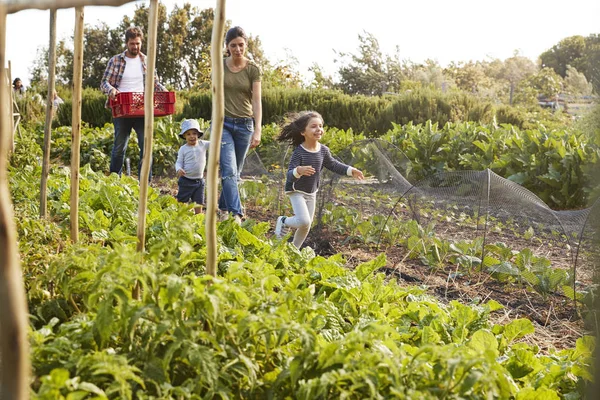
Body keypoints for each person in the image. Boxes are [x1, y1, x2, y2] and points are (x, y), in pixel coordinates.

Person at [274, 111, 364, 248]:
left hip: (311, 191)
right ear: (303, 132)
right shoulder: (299, 151)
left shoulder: (323, 150)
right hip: (295, 189)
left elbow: (333, 164)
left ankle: (293, 250)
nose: (319, 129)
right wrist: (299, 171)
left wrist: (352, 171)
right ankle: (284, 221)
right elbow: (289, 175)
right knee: (303, 220)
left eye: (321, 126)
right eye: (314, 126)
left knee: (306, 225)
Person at [100, 26, 167, 181]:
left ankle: (146, 183)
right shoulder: (116, 60)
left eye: (138, 43)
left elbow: (155, 83)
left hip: (142, 108)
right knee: (119, 147)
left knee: (146, 147)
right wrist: (111, 91)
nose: (135, 47)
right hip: (122, 108)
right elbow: (104, 83)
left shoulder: (146, 61)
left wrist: (165, 91)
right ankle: (115, 181)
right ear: (126, 43)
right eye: (132, 44)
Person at [218, 26, 262, 224]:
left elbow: (256, 101)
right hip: (224, 124)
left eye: (241, 45)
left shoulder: (253, 69)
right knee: (228, 170)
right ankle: (237, 214)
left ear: (246, 45)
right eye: (233, 45)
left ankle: (222, 209)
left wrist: (258, 128)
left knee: (235, 173)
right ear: (227, 46)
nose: (237, 49)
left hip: (245, 125)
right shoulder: (219, 65)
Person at [175, 119, 210, 214]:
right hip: (186, 180)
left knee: (199, 202)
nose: (192, 136)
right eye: (188, 134)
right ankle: (182, 217)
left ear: (198, 134)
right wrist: (179, 169)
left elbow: (215, 143)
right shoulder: (183, 149)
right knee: (182, 202)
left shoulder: (203, 144)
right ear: (184, 136)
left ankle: (198, 218)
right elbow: (178, 162)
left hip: (199, 181)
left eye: (194, 133)